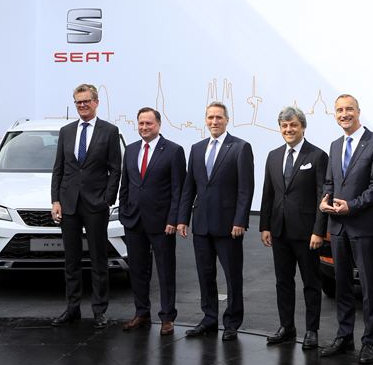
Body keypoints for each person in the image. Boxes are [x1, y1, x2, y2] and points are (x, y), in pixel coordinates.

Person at [319, 94, 373, 365]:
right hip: (337, 227)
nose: (344, 114)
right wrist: (325, 201)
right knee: (342, 284)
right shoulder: (335, 145)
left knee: (369, 286)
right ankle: (344, 336)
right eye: (339, 110)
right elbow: (330, 181)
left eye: (349, 109)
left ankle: (370, 341)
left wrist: (352, 206)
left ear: (359, 112)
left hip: (363, 226)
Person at [177, 102, 255, 341]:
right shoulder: (197, 148)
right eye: (210, 117)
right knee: (205, 274)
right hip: (201, 224)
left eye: (219, 117)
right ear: (205, 120)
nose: (214, 121)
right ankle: (209, 318)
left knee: (232, 277)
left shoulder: (240, 148)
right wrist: (182, 219)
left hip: (229, 226)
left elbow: (245, 189)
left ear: (227, 120)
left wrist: (240, 221)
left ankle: (232, 322)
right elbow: (189, 187)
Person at [50, 83, 121, 329]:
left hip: (95, 205)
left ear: (96, 102)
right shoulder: (66, 131)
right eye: (78, 102)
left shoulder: (109, 131)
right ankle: (72, 309)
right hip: (68, 204)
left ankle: (99, 310)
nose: (82, 105)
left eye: (86, 101)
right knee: (71, 260)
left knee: (99, 259)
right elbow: (58, 169)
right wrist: (55, 200)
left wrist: (107, 199)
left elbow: (115, 169)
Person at [260, 107, 328, 350]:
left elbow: (322, 196)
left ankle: (312, 330)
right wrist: (265, 225)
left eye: (293, 125)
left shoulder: (317, 156)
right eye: (284, 126)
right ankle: (286, 327)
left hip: (307, 233)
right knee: (283, 282)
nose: (288, 129)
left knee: (311, 282)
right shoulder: (273, 156)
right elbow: (268, 193)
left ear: (303, 127)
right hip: (279, 231)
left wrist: (319, 230)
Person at [118, 107, 186, 335]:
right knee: (137, 270)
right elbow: (125, 185)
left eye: (149, 123)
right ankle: (141, 313)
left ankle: (167, 317)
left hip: (162, 223)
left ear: (158, 125)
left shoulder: (174, 151)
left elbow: (178, 189)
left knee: (165, 271)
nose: (144, 127)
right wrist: (124, 211)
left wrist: (173, 219)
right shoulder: (130, 150)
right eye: (141, 123)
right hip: (134, 221)